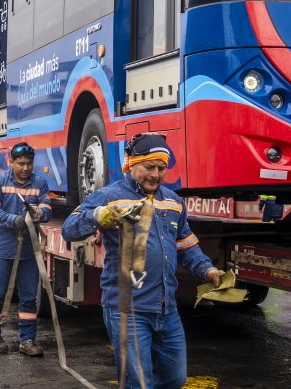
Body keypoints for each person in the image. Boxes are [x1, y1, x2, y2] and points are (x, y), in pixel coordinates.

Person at [62, 133, 221, 389]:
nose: (155, 174)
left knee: (175, 378)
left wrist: (208, 269)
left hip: (166, 309)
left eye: (161, 168)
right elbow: (69, 229)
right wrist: (98, 216)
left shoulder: (173, 202)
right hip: (127, 310)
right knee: (139, 383)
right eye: (149, 167)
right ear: (132, 163)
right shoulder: (109, 196)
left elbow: (187, 246)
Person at [0, 142, 51, 357]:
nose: (26, 168)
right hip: (3, 248)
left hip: (29, 251)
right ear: (11, 162)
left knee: (29, 296)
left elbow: (46, 207)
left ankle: (27, 341)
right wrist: (14, 220)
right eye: (21, 163)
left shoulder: (39, 182)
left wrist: (39, 214)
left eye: (29, 163)